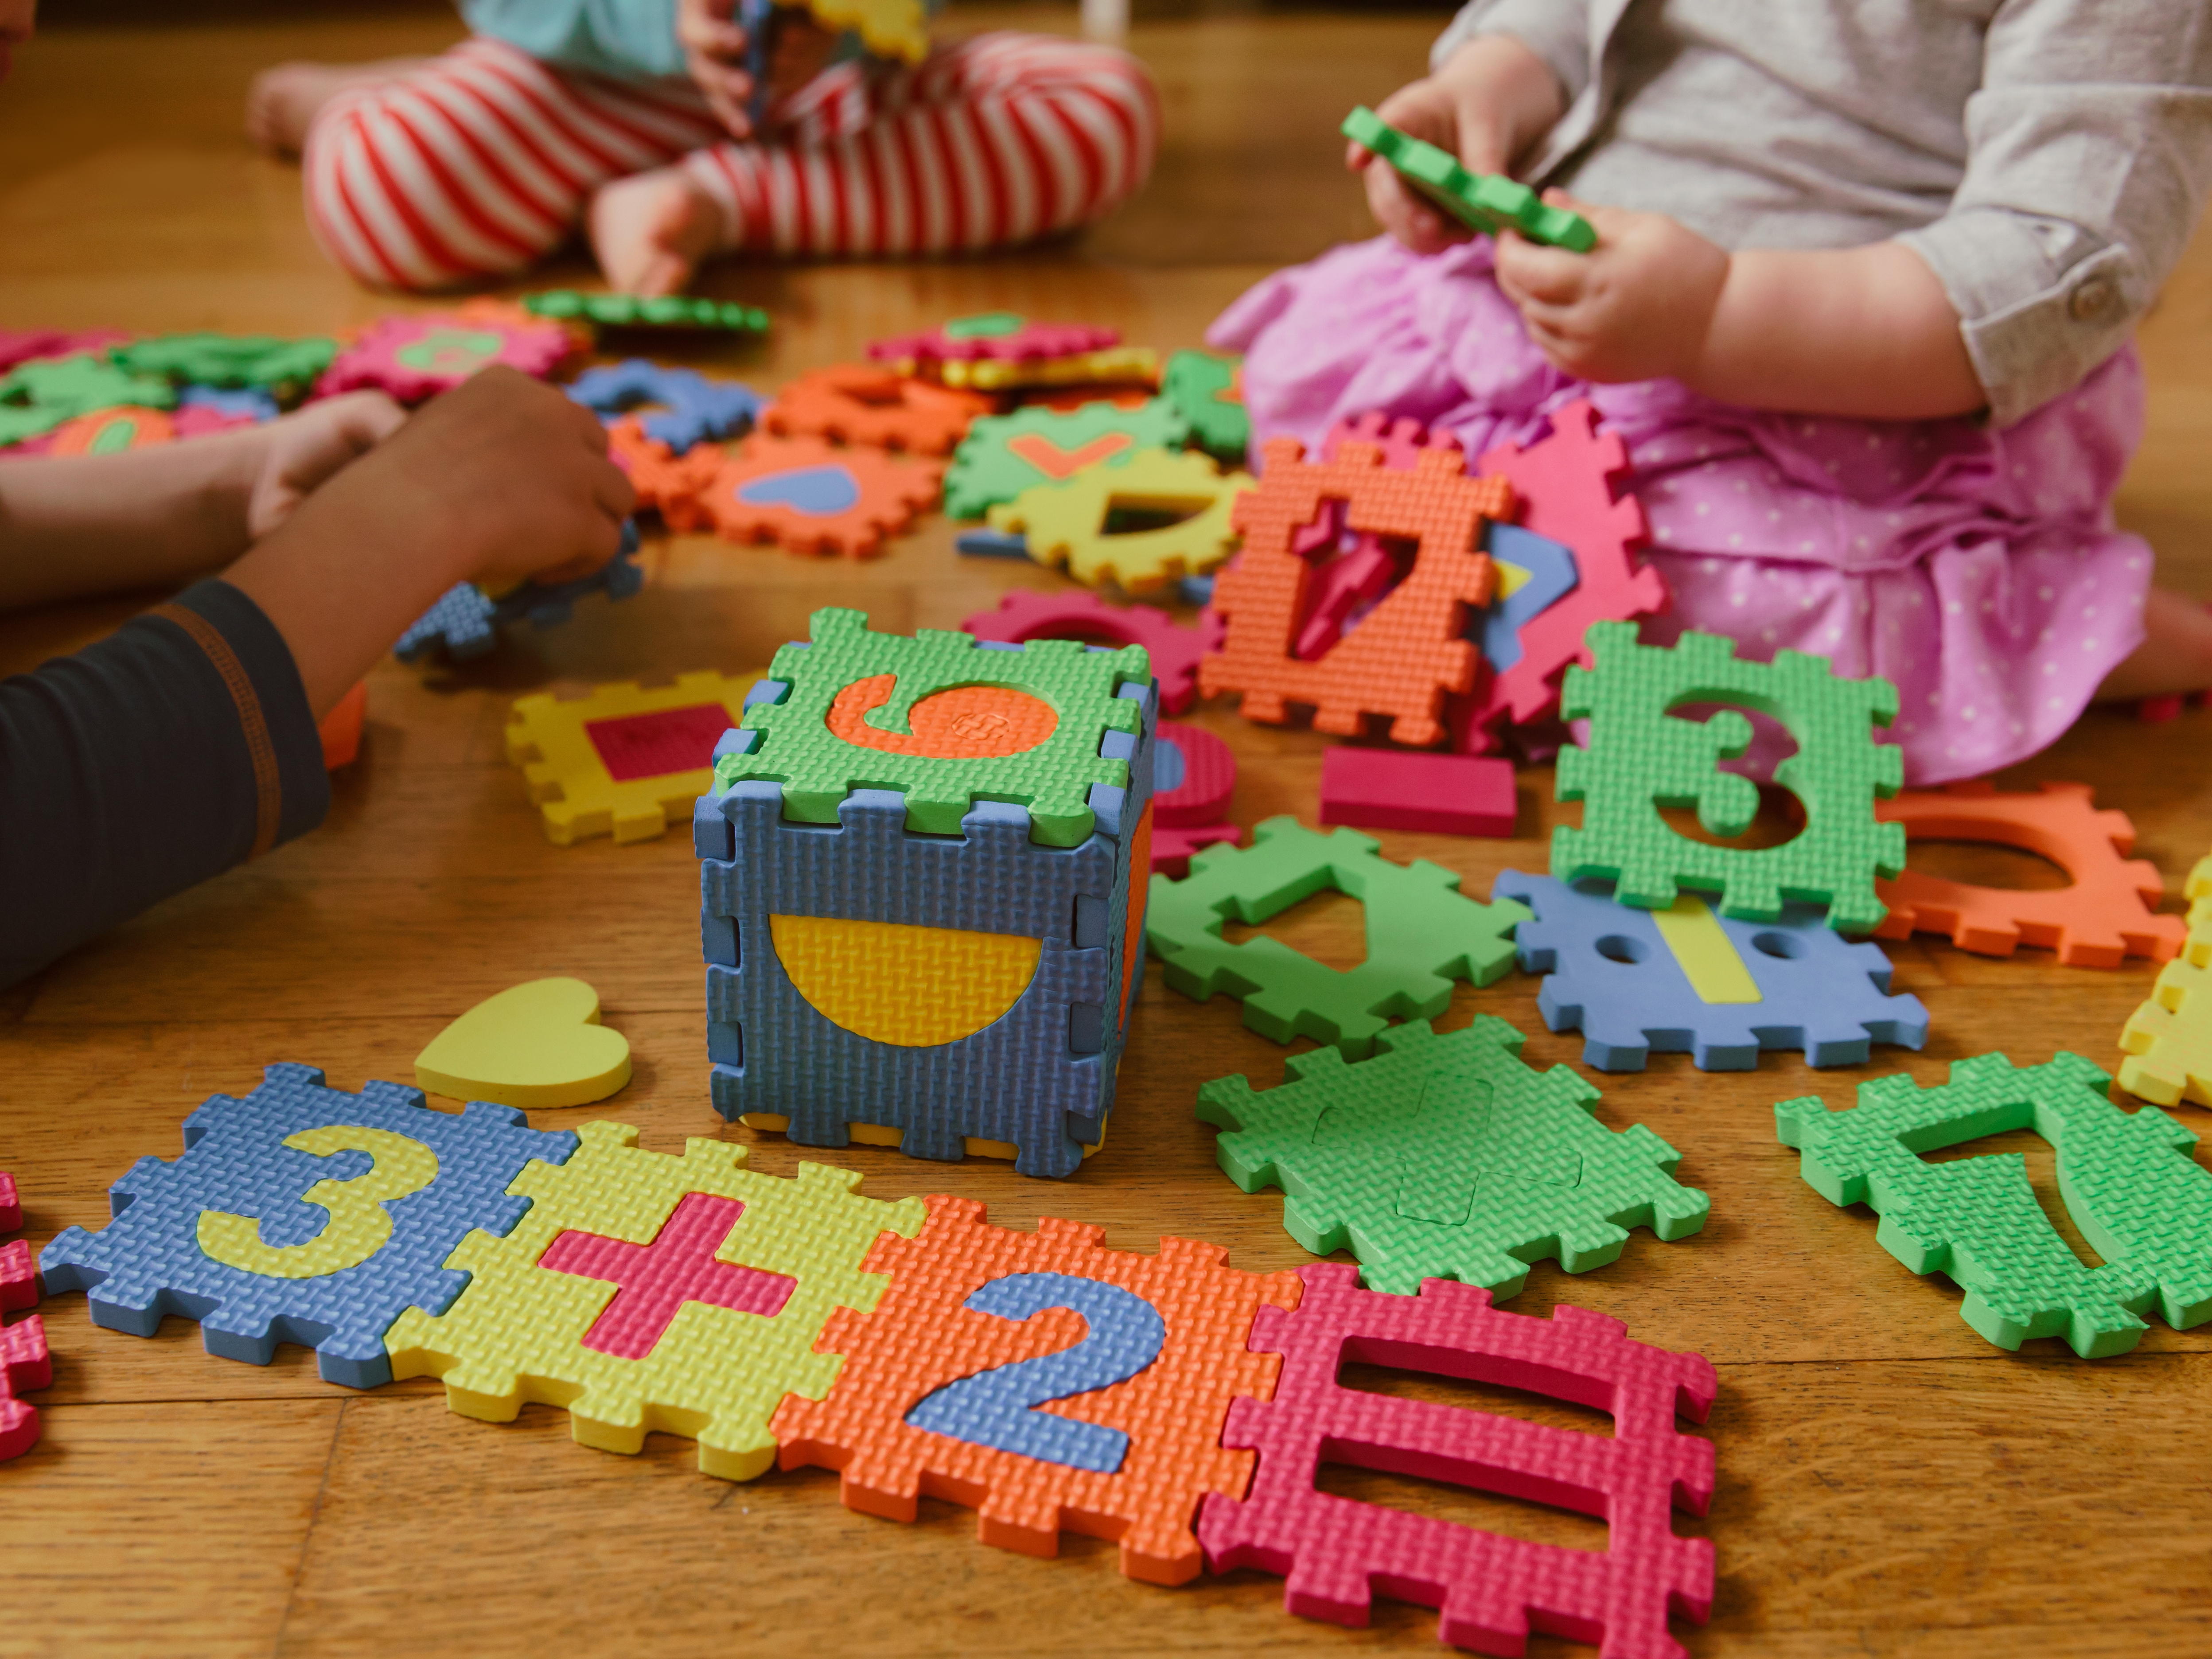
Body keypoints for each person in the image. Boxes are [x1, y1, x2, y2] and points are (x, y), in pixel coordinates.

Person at [1211, 2, 2212, 783]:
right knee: (1319, 406)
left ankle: (2054, 621)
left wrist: (1718, 318)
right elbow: (1569, 19)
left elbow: (2047, 267)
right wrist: (1490, 85)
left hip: (1847, 387)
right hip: (1561, 294)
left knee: (1673, 605)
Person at [245, 0, 1159, 296]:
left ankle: (716, 200)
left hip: (835, 93)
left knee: (1107, 109)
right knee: (385, 182)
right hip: (588, 74)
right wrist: (659, 24)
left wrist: (847, 19)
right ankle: (386, 94)